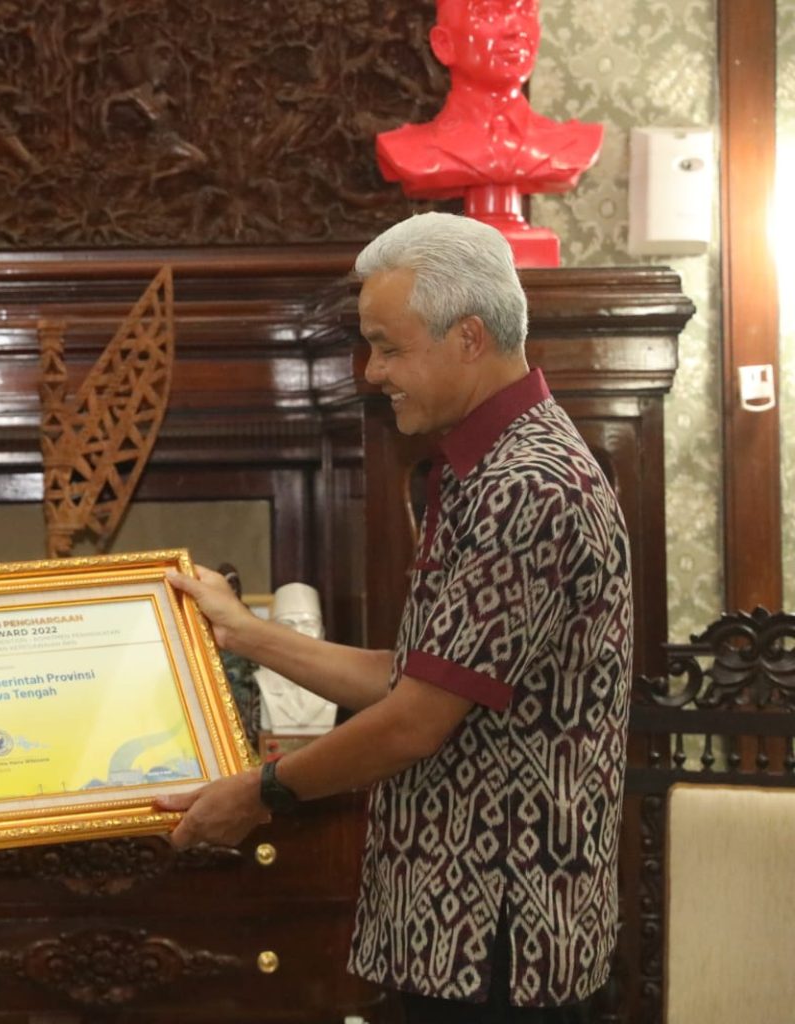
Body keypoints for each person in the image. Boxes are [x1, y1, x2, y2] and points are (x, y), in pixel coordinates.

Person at [160, 212, 632, 1023]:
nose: (372, 371)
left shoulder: (529, 485)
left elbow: (414, 721)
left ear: (470, 338)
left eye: (389, 345)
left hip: (500, 936)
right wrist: (241, 631)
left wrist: (260, 793)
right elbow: (412, 677)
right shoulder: (490, 469)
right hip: (458, 927)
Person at [376, 0, 602, 200]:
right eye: (489, 12)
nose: (516, 29)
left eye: (526, 11)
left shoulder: (572, 144)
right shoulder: (408, 150)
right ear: (444, 44)